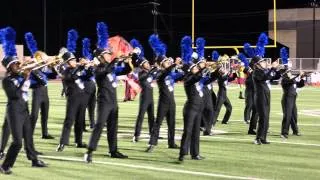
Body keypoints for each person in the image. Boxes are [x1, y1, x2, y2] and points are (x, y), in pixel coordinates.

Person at [0, 27, 47, 175]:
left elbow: (38, 82)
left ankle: (33, 159)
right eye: (15, 64)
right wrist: (26, 77)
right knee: (17, 142)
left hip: (24, 109)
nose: (18, 65)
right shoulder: (7, 81)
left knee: (28, 137)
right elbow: (14, 94)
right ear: (9, 67)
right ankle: (5, 165)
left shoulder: (20, 76)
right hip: (14, 111)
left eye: (18, 63)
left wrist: (33, 68)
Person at [84, 22, 131, 163]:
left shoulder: (110, 68)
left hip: (113, 102)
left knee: (113, 127)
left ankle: (113, 150)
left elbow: (126, 71)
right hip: (104, 102)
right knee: (99, 126)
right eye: (107, 54)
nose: (109, 55)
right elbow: (104, 71)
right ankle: (89, 151)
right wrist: (115, 60)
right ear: (100, 56)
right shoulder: (97, 68)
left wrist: (130, 59)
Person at [25, 32, 56, 139]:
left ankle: (44, 133)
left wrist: (53, 66)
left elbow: (53, 76)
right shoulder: (34, 69)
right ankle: (29, 134)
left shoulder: (44, 68)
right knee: (34, 115)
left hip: (45, 93)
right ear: (38, 58)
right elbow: (42, 80)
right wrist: (43, 64)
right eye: (43, 57)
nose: (45, 59)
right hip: (37, 92)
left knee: (45, 114)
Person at [252, 56, 280, 145]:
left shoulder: (264, 71)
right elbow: (265, 77)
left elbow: (274, 76)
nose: (264, 63)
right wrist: (272, 68)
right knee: (263, 117)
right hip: (260, 97)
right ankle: (257, 138)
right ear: (257, 65)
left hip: (266, 96)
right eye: (262, 62)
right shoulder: (256, 72)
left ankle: (263, 138)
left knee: (266, 118)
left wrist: (276, 70)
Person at [132, 56, 158, 142]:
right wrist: (152, 70)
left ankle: (152, 133)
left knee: (151, 117)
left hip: (150, 97)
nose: (148, 64)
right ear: (142, 65)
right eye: (146, 63)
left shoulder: (149, 72)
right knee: (141, 116)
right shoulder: (140, 72)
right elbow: (142, 77)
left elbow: (157, 74)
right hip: (144, 97)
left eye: (147, 62)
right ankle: (136, 135)